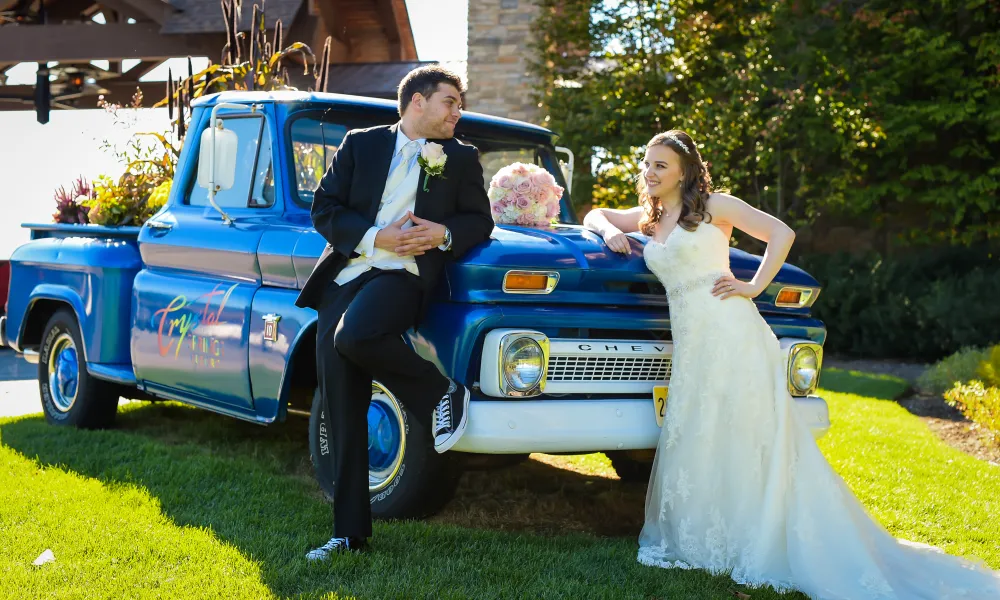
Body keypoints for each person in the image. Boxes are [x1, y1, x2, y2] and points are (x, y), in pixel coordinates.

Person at [584, 130, 1000, 598]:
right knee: (703, 430)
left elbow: (781, 233)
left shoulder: (715, 205)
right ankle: (710, 534)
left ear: (684, 169)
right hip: (693, 342)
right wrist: (612, 231)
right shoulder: (652, 216)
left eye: (661, 164)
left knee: (748, 432)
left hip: (731, 331)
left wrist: (754, 286)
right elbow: (594, 213)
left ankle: (763, 533)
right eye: (647, 163)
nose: (650, 172)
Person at [294, 65, 494, 560]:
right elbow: (325, 207)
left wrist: (442, 235)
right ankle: (349, 534)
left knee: (356, 336)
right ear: (418, 102)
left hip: (404, 275)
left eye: (459, 104)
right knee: (342, 406)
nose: (457, 112)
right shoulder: (361, 144)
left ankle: (442, 394)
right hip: (345, 274)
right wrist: (373, 237)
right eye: (450, 102)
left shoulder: (462, 157)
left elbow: (479, 221)